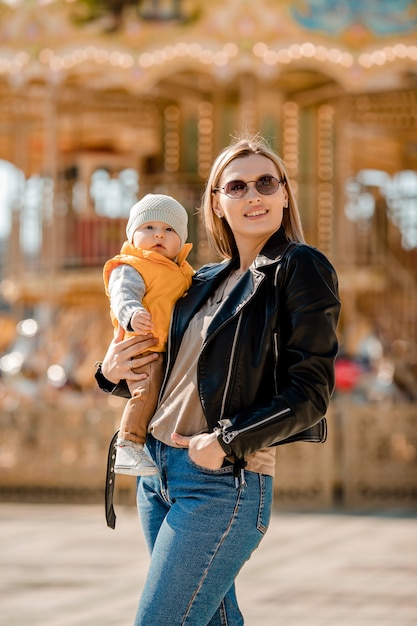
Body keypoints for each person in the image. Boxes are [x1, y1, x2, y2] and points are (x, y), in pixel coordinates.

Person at [95, 133, 341, 625]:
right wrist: (109, 373)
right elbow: (175, 373)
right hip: (157, 476)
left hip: (222, 479)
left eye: (266, 183)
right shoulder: (198, 280)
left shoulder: (299, 267)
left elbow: (311, 392)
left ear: (285, 193)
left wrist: (225, 441)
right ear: (217, 201)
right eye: (237, 186)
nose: (254, 196)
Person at [103, 193, 194, 476]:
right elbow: (123, 294)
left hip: (167, 345)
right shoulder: (132, 265)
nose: (159, 235)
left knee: (158, 392)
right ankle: (128, 444)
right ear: (132, 234)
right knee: (146, 389)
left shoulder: (183, 270)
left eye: (169, 230)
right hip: (143, 342)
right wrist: (132, 314)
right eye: (149, 228)